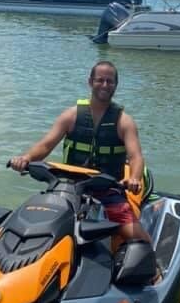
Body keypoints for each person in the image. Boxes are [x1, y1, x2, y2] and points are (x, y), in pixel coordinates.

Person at [9, 61, 153, 249]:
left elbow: (135, 157)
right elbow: (46, 145)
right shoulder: (71, 115)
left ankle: (155, 267)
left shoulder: (124, 121)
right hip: (69, 187)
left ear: (116, 85)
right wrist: (25, 159)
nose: (104, 85)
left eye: (110, 81)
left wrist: (134, 178)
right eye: (100, 80)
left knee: (137, 237)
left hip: (108, 190)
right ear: (90, 82)